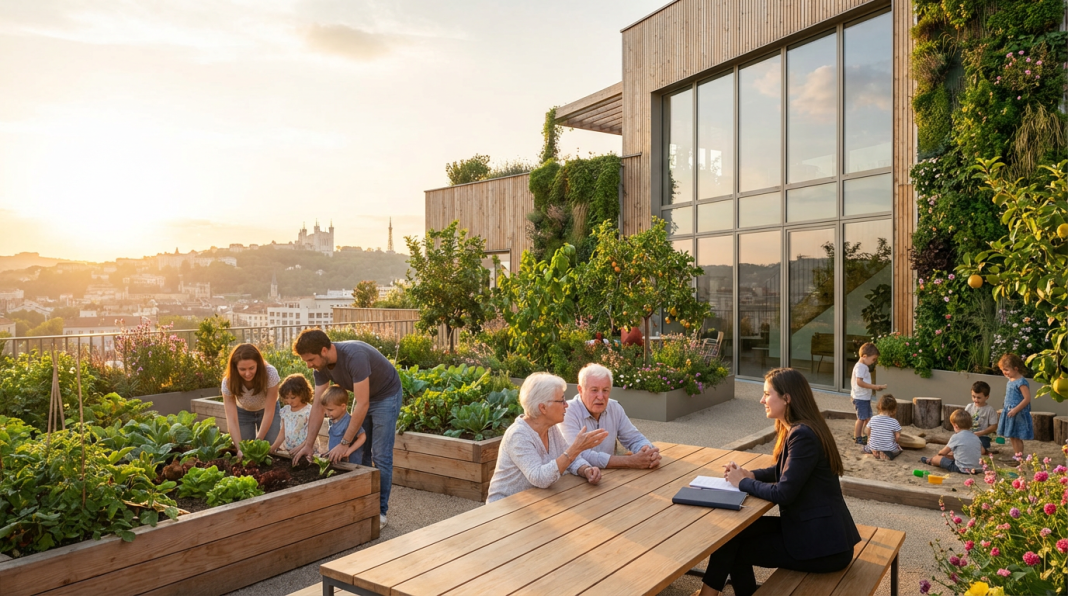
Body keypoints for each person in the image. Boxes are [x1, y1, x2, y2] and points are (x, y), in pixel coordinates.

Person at [696, 368, 860, 596]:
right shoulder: (802, 428)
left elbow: (783, 493)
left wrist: (741, 482)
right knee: (731, 534)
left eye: (767, 394)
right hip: (815, 531)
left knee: (736, 548)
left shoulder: (802, 435)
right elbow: (784, 469)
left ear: (787, 398)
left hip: (824, 547)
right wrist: (752, 475)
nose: (762, 400)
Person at [289, 329, 402, 528]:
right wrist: (308, 445)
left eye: (311, 359)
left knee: (381, 455)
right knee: (362, 453)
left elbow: (363, 403)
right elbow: (318, 405)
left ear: (324, 350)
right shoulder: (321, 366)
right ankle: (364, 502)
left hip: (385, 395)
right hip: (363, 398)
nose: (308, 365)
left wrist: (344, 442)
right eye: (306, 361)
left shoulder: (354, 357)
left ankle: (380, 511)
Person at [486, 372, 609, 503]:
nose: (566, 404)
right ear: (543, 407)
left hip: (536, 502)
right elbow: (540, 478)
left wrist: (586, 470)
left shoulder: (550, 428)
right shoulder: (518, 435)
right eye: (561, 400)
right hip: (505, 507)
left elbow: (570, 460)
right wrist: (575, 449)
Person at [560, 363, 661, 469]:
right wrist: (629, 461)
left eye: (605, 390)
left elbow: (634, 439)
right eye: (594, 390)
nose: (600, 397)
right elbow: (577, 454)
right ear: (580, 390)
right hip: (575, 480)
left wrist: (648, 452)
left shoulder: (614, 407)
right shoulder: (567, 411)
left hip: (610, 477)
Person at [221, 344, 281, 460]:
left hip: (268, 411)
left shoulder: (270, 374)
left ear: (258, 364)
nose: (247, 373)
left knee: (269, 449)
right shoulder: (228, 382)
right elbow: (231, 419)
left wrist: (258, 441)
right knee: (245, 452)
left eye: (251, 368)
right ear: (235, 368)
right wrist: (239, 449)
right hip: (243, 413)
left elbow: (269, 411)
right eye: (242, 369)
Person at [921, 409, 981, 474]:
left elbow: (943, 453)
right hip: (976, 469)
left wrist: (940, 453)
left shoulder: (956, 437)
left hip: (960, 468)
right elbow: (981, 450)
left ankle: (929, 461)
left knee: (937, 458)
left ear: (956, 426)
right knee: (953, 455)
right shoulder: (976, 437)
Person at [996, 353, 1033, 457]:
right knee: (1012, 435)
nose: (1004, 372)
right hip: (1009, 411)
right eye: (1003, 369)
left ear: (1016, 368)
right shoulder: (1010, 380)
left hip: (1018, 413)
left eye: (1006, 370)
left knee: (1017, 436)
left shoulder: (1021, 382)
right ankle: (1017, 455)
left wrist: (1015, 410)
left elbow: (1027, 399)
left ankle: (1019, 457)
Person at [851, 343, 887, 445]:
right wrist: (875, 387)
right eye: (873, 359)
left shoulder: (863, 366)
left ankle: (866, 435)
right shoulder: (861, 367)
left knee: (867, 418)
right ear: (865, 356)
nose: (873, 362)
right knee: (862, 418)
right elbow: (859, 382)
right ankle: (857, 437)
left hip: (864, 397)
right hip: (860, 397)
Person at [270, 374, 315, 455]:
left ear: (302, 394)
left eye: (293, 397)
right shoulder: (285, 411)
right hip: (289, 450)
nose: (289, 401)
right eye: (286, 398)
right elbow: (282, 432)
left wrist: (301, 447)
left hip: (305, 450)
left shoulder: (309, 411)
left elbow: (312, 434)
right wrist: (273, 447)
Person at [321, 385, 367, 464]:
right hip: (337, 462)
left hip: (351, 463)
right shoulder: (332, 420)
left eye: (330, 410)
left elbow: (362, 437)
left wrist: (349, 451)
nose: (326, 413)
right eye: (325, 410)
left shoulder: (349, 421)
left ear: (343, 406)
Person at [864, 394, 902, 460]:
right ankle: (887, 454)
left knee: (865, 448)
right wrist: (895, 442)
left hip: (873, 446)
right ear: (894, 409)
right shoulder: (894, 422)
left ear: (879, 406)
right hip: (888, 448)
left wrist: (869, 437)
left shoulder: (873, 418)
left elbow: (868, 430)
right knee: (898, 449)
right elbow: (897, 437)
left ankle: (874, 452)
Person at [966, 381, 998, 455]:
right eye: (973, 396)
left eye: (979, 397)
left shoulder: (990, 410)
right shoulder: (969, 407)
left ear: (987, 397)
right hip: (968, 435)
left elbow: (994, 427)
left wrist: (980, 433)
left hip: (983, 437)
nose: (976, 400)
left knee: (979, 445)